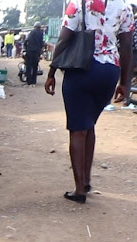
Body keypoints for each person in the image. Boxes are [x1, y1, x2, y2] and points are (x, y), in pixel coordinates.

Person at [45, 0, 134, 203]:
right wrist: (124, 83)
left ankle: (79, 191)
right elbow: (126, 45)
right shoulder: (125, 7)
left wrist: (52, 71)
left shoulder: (77, 4)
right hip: (109, 72)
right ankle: (86, 180)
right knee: (88, 124)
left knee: (78, 129)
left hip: (80, 69)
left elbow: (64, 39)